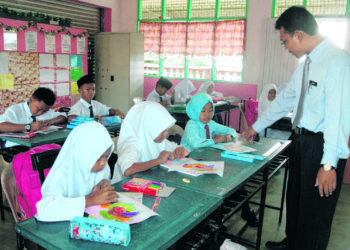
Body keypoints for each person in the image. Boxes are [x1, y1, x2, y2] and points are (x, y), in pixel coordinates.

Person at [240, 6, 350, 250]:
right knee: (297, 200)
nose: (285, 47)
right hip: (300, 140)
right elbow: (285, 99)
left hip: (322, 146)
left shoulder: (337, 61)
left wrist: (328, 164)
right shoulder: (306, 64)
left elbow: (338, 118)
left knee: (316, 212)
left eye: (285, 41)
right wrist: (255, 127)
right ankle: (293, 243)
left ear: (299, 34)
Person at [36, 121, 118, 222]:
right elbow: (44, 211)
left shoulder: (101, 166)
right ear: (82, 153)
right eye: (98, 158)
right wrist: (89, 200)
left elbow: (105, 176)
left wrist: (105, 182)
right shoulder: (62, 174)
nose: (103, 163)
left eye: (106, 156)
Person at [112, 101, 189, 181]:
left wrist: (180, 150)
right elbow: (128, 170)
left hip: (148, 182)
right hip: (125, 187)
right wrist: (158, 160)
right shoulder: (131, 143)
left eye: (166, 130)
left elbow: (178, 148)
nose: (166, 134)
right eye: (162, 131)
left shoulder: (157, 140)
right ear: (150, 129)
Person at [0, 87, 66, 147]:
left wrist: (50, 121)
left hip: (39, 145)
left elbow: (62, 117)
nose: (40, 112)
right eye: (38, 109)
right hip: (16, 147)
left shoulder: (46, 111)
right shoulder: (15, 110)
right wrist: (29, 127)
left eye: (44, 111)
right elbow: (1, 126)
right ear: (31, 100)